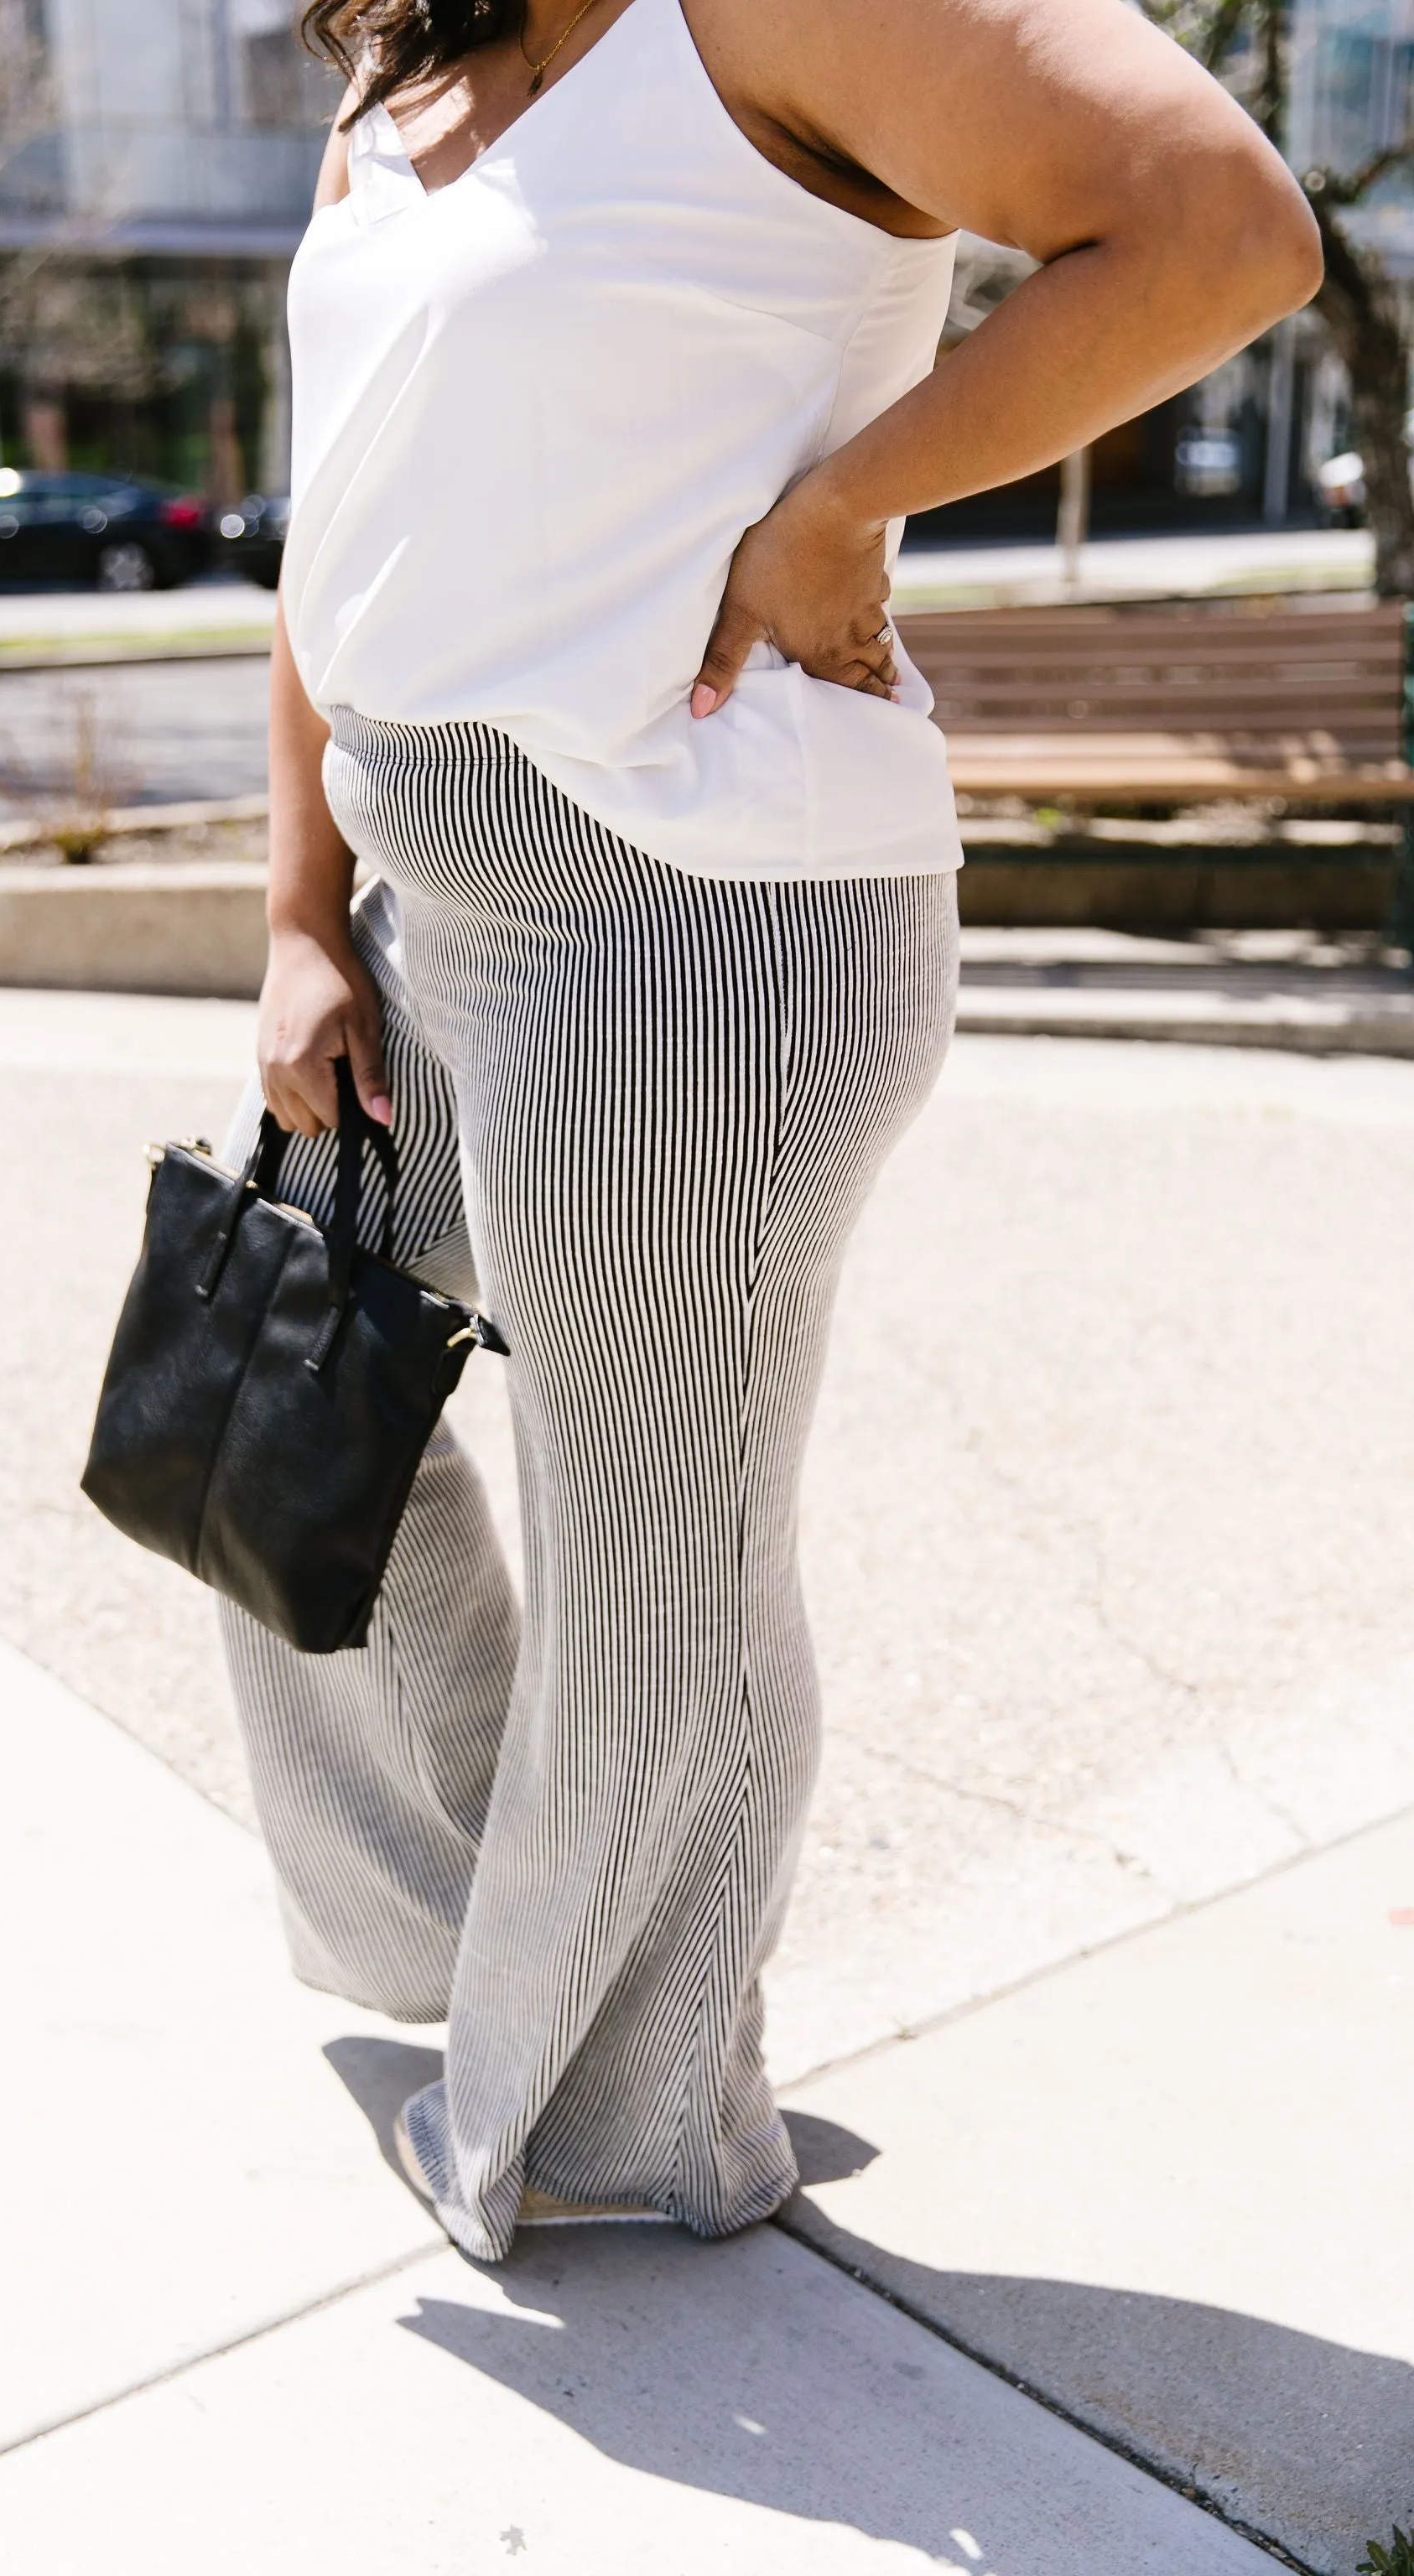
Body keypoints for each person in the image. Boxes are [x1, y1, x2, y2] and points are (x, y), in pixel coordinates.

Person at [219, 0, 1318, 2262]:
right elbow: (344, 515)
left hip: (701, 920)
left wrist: (846, 500)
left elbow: (1221, 234)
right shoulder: (398, 64)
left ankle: (626, 2124)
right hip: (435, 913)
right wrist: (301, 910)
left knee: (659, 1574)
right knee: (275, 1421)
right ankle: (485, 1931)